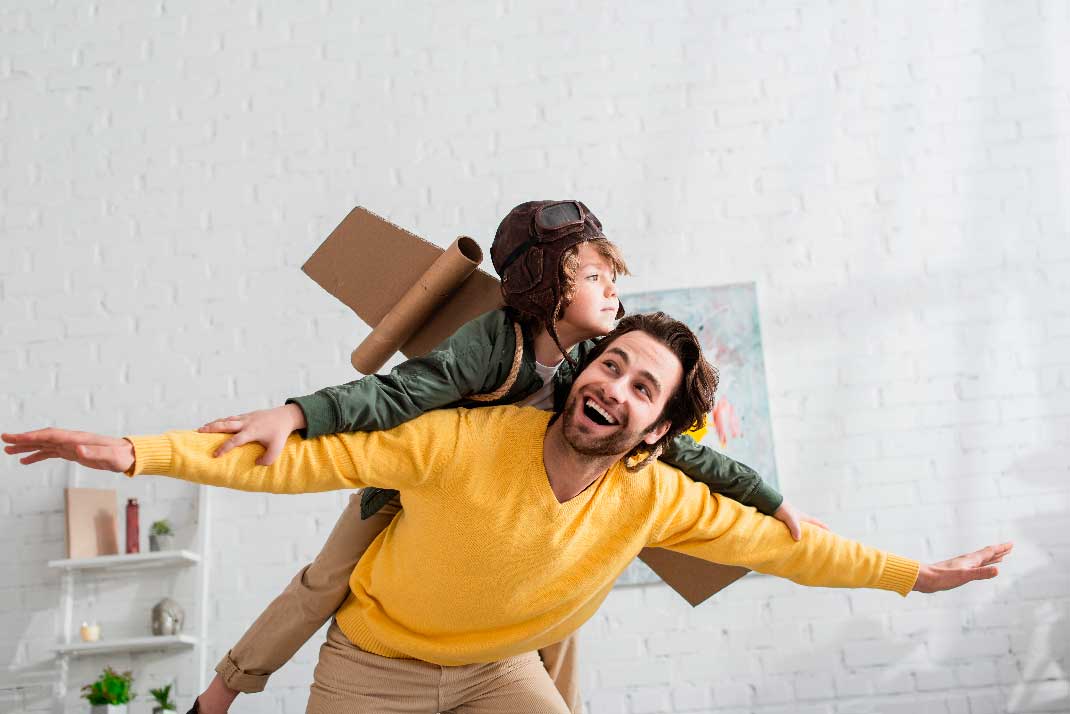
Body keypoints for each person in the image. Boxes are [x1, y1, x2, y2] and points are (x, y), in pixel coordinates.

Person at [4, 311, 1011, 714]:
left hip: (500, 671)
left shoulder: (654, 496)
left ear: (655, 429)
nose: (613, 386)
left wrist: (917, 576)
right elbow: (307, 458)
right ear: (582, 373)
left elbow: (793, 551)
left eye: (641, 387)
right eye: (609, 363)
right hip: (374, 666)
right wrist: (136, 452)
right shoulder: (462, 438)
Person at [161, 200, 821, 713]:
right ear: (552, 286)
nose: (614, 291)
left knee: (563, 611)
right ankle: (221, 693)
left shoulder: (593, 364)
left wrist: (771, 500)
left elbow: (681, 456)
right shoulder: (489, 345)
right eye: (596, 276)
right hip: (416, 486)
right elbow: (395, 394)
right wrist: (297, 413)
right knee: (325, 580)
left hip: (515, 517)